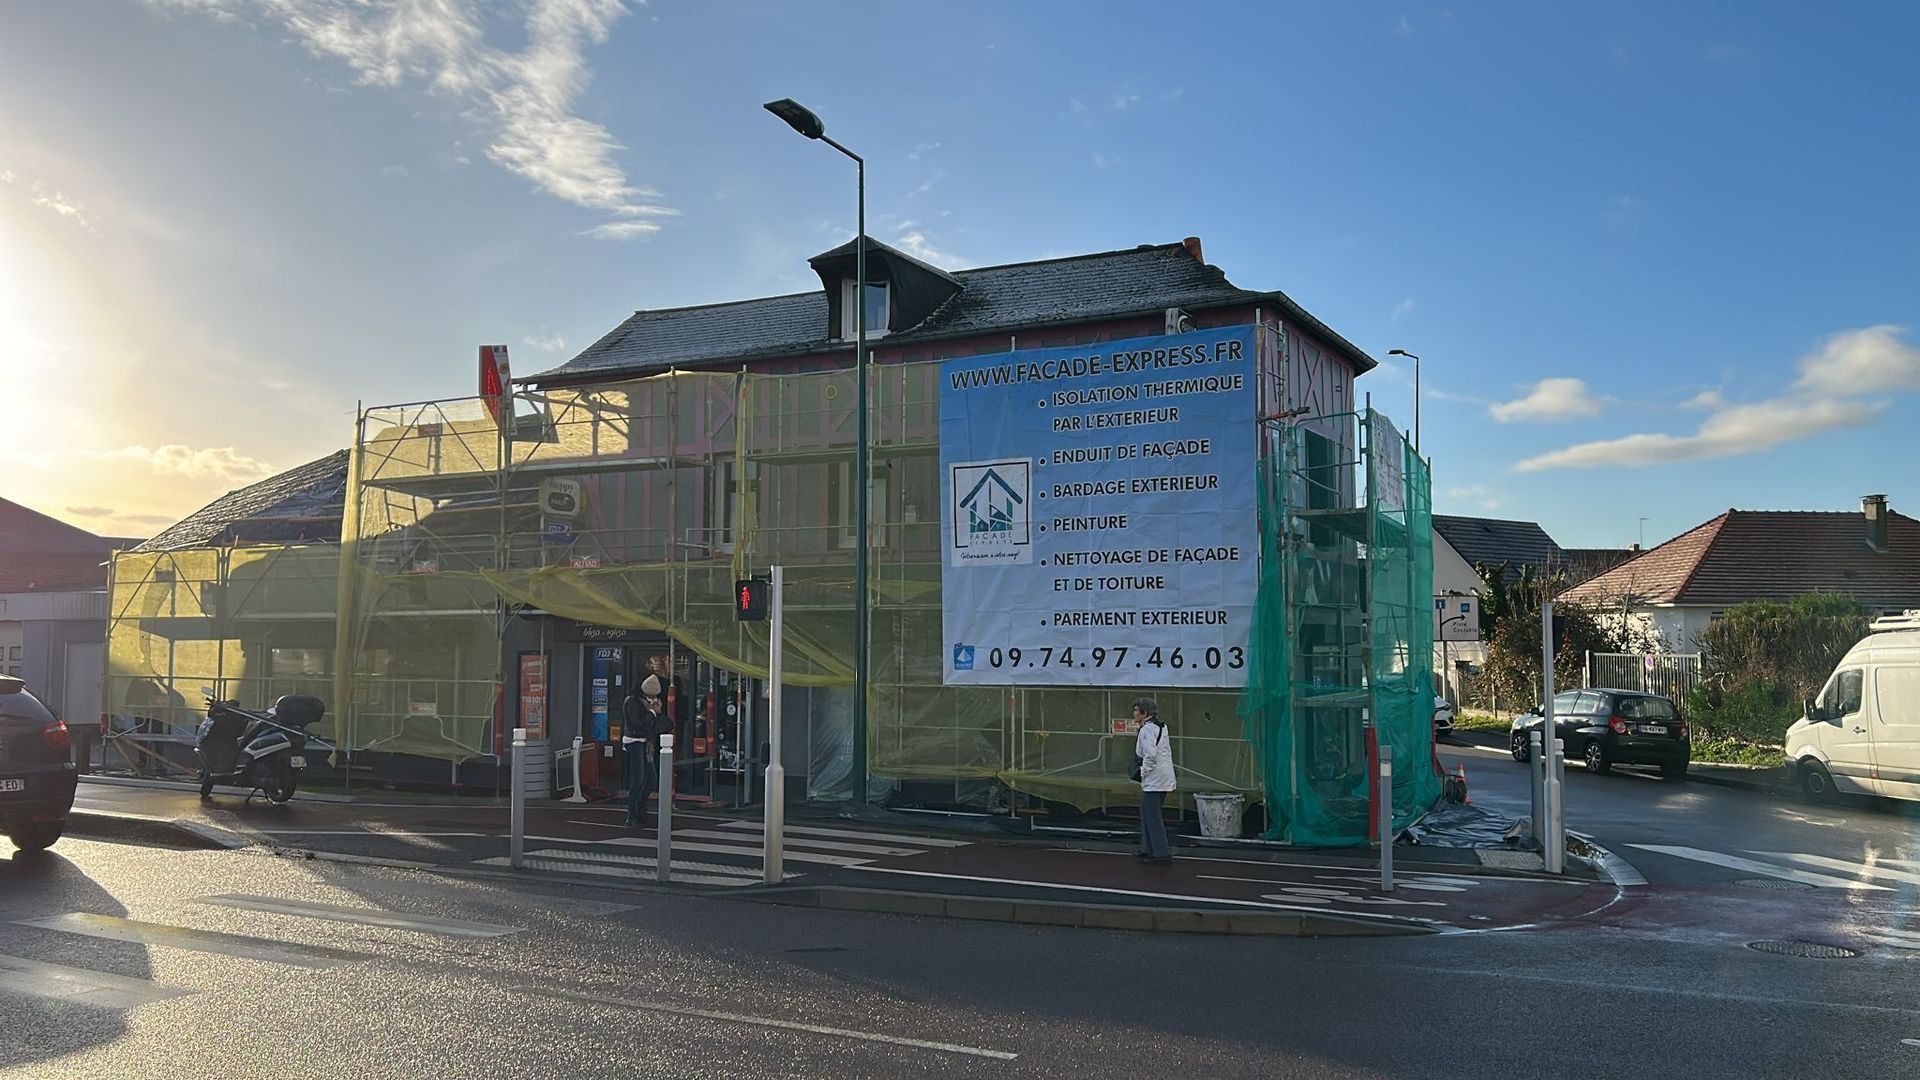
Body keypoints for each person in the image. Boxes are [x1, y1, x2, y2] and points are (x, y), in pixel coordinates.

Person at [1132, 697, 1176, 862]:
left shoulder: (1147, 730)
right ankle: (1148, 848)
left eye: (1137, 710)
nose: (1134, 713)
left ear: (1144, 713)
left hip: (1155, 778)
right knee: (1147, 811)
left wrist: (1143, 772)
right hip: (1163, 776)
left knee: (1152, 815)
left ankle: (1160, 852)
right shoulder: (1161, 727)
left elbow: (1150, 754)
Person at [622, 674, 667, 828]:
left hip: (645, 743)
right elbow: (638, 724)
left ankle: (640, 807)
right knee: (638, 779)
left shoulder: (644, 702)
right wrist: (653, 712)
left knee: (651, 778)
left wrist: (656, 713)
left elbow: (653, 725)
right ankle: (632, 814)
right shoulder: (632, 702)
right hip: (634, 742)